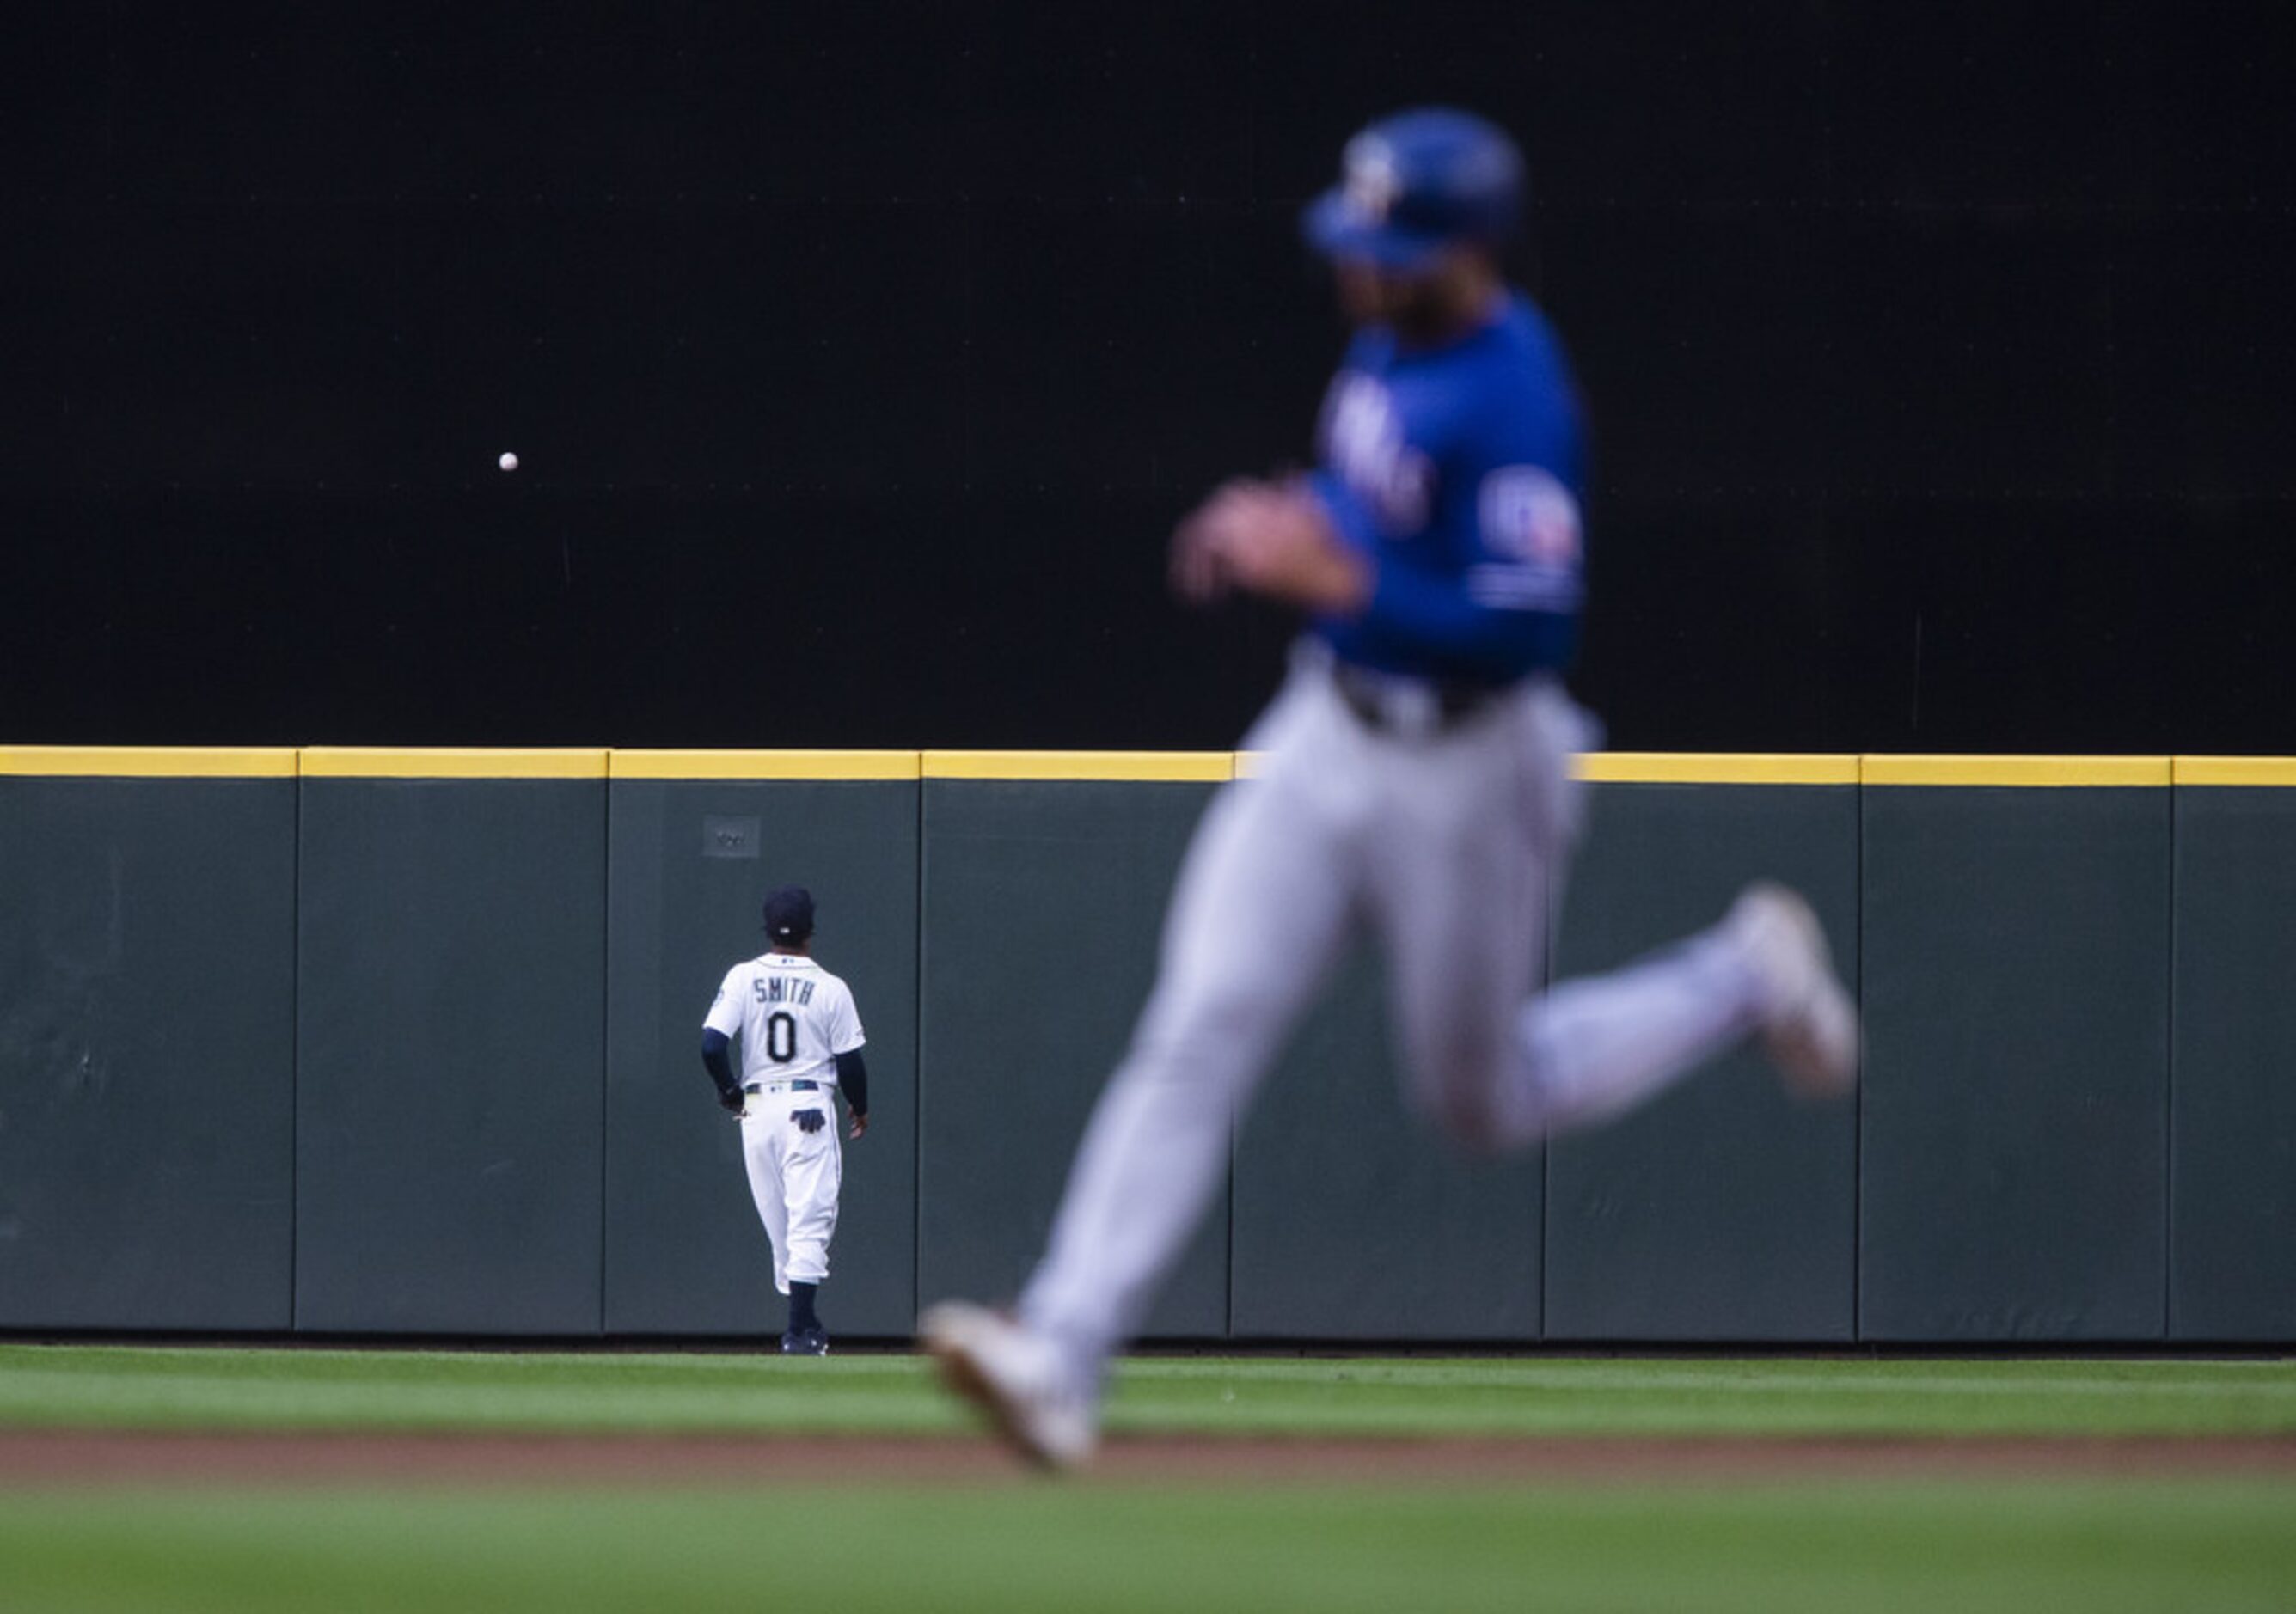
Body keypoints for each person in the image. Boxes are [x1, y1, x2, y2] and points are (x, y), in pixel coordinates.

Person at [921, 107, 1858, 1467]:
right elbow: (1371, 523)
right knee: (1200, 1019)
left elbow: (1524, 629)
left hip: (1473, 770)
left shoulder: (1519, 395)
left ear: (1466, 252)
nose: (1358, 265)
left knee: (1482, 1103)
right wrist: (1293, 527)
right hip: (1323, 732)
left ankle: (1740, 976)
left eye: (1389, 245)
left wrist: (1341, 576)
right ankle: (1062, 1350)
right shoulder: (1381, 346)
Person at [702, 884, 871, 1355]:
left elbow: (712, 1045)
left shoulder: (742, 976)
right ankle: (800, 1330)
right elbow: (851, 1062)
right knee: (808, 1221)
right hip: (808, 1107)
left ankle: (802, 1320)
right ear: (810, 932)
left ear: (768, 929)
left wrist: (730, 1093)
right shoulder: (831, 987)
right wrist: (860, 1106)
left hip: (758, 1110)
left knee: (782, 1225)